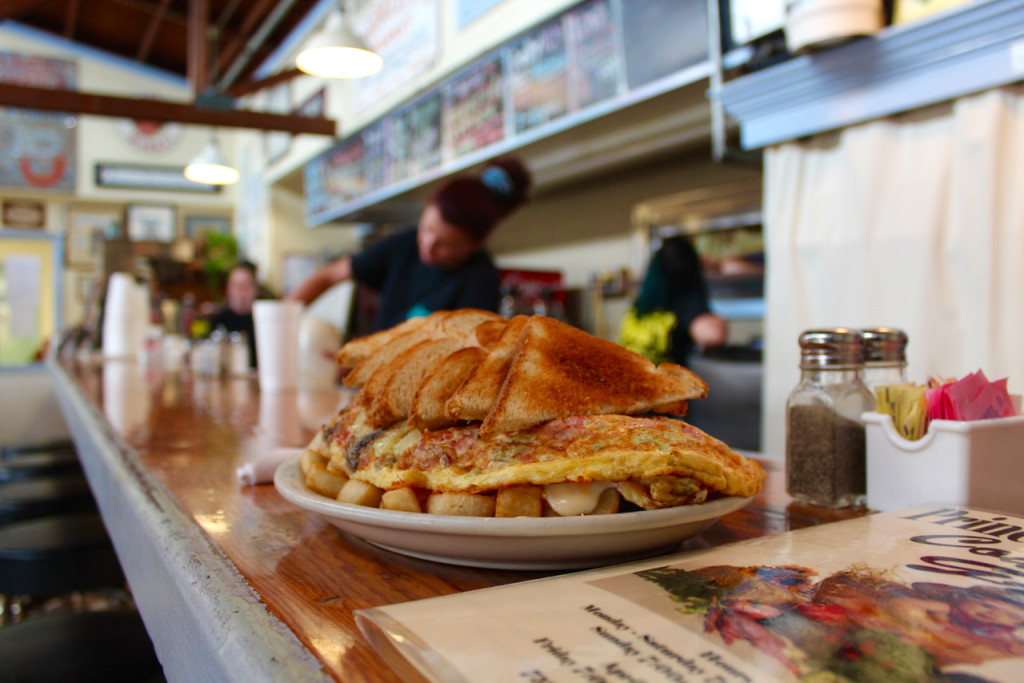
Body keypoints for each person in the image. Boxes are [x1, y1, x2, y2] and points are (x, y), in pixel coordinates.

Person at [285, 156, 532, 331]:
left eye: (444, 244)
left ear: (475, 243)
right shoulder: (404, 245)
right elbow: (328, 275)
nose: (427, 245)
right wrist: (280, 321)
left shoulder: (480, 280)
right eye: (425, 229)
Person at [619, 235, 727, 366]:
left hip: (630, 378)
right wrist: (719, 320)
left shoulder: (641, 303)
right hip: (665, 384)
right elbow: (713, 335)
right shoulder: (685, 296)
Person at [208, 260, 260, 368]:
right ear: (229, 289)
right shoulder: (218, 321)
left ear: (255, 289)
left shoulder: (262, 323)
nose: (241, 291)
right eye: (236, 286)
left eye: (245, 286)